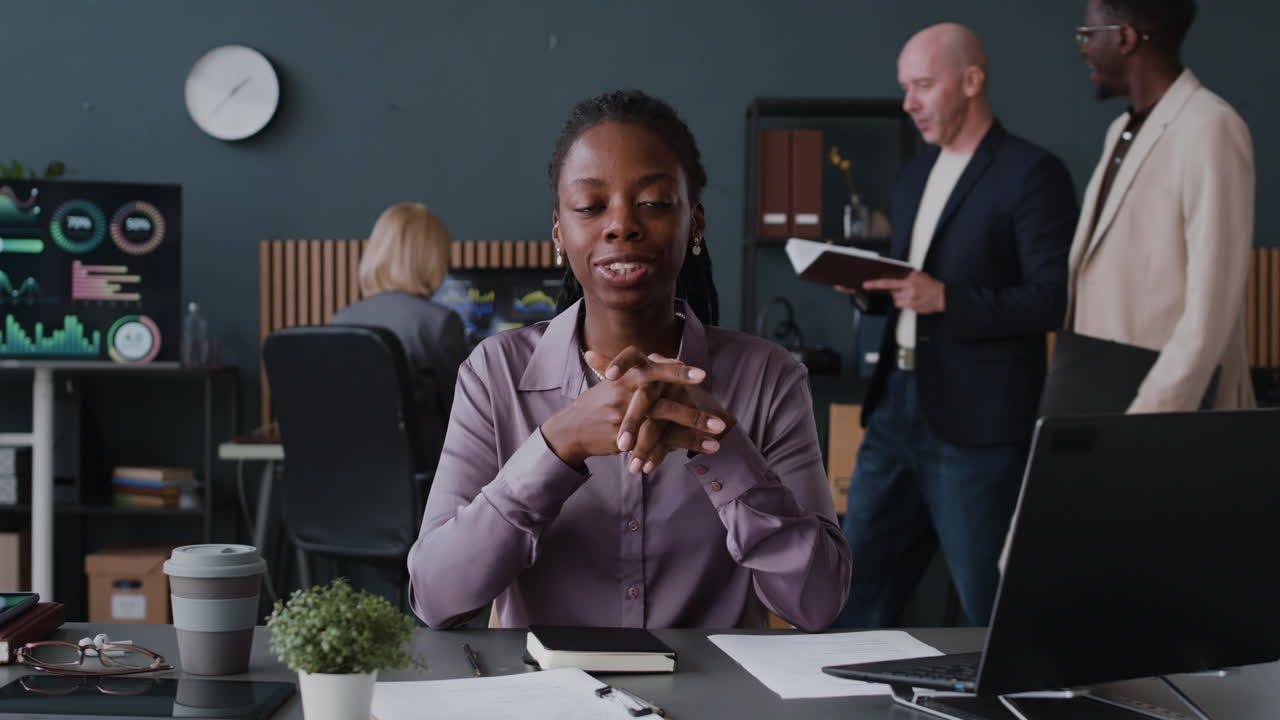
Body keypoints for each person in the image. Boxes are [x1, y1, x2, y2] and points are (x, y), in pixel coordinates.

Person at [407, 89, 850, 631]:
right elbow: (435, 598)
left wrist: (721, 445)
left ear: (696, 224)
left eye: (655, 202)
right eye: (591, 207)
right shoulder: (494, 373)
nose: (621, 225)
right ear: (558, 232)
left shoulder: (769, 378)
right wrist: (556, 446)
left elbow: (818, 603)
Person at [835, 23, 1077, 628]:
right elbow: (911, 293)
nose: (908, 102)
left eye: (922, 85)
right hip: (895, 411)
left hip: (980, 427)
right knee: (853, 587)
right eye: (904, 88)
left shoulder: (1032, 173)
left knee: (989, 604)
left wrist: (945, 298)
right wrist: (870, 293)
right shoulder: (913, 176)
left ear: (973, 81)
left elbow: (1053, 301)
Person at [1068, 0, 1255, 411]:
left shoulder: (1210, 127)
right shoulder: (1120, 129)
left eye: (1088, 35)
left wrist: (1151, 414)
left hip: (1167, 411)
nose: (1083, 48)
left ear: (1125, 37)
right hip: (1104, 392)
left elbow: (1210, 308)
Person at [331, 202, 468, 470]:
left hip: (346, 476)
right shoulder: (439, 323)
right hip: (426, 479)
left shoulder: (340, 321)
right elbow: (465, 415)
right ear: (433, 259)